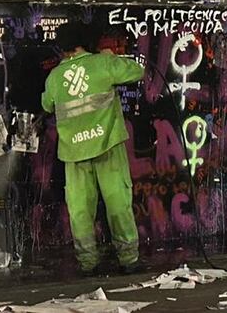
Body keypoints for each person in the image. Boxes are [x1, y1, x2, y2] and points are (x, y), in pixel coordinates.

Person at [41, 22, 146, 275]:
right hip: (107, 145)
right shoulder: (102, 64)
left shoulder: (54, 77)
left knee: (79, 210)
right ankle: (128, 260)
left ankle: (88, 263)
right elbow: (138, 71)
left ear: (63, 48)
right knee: (118, 203)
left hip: (74, 154)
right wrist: (113, 57)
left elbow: (46, 105)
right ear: (83, 42)